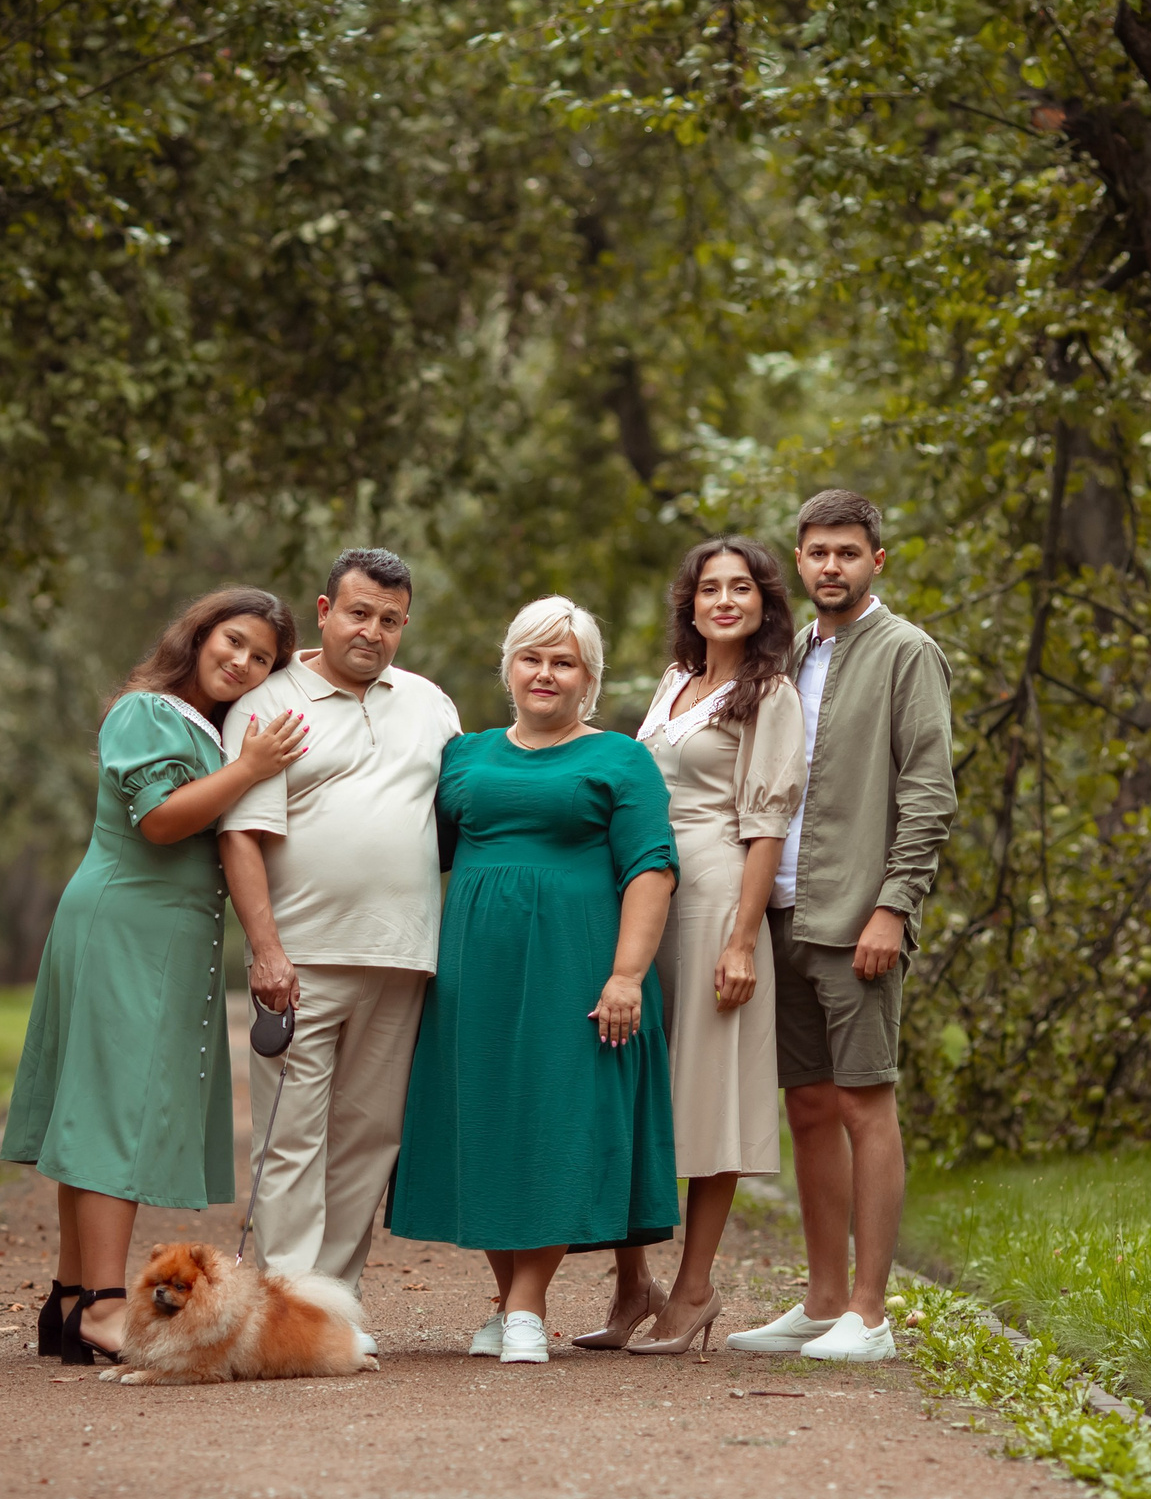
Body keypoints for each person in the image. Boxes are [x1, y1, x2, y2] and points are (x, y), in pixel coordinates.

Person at [2, 589, 310, 1366]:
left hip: (158, 934)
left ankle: (70, 1301)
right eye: (232, 641)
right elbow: (162, 819)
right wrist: (249, 768)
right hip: (124, 925)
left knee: (105, 1106)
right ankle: (107, 1308)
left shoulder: (201, 724)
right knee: (116, 1114)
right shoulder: (147, 712)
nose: (241, 662)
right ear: (199, 634)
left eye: (263, 658)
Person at [387, 596, 681, 1365]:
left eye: (565, 662)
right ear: (508, 666)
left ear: (588, 678)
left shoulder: (621, 759)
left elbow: (652, 868)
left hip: (576, 967)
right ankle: (510, 1302)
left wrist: (626, 976)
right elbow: (417, 851)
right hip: (472, 974)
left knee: (556, 1121)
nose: (545, 674)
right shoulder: (466, 756)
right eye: (532, 657)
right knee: (482, 1123)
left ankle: (525, 1305)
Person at [725, 489, 954, 1364]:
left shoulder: (906, 653)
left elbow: (930, 792)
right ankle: (822, 1304)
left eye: (848, 553)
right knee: (809, 1108)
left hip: (857, 917)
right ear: (802, 559)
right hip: (781, 909)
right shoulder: (784, 656)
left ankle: (871, 1313)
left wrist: (894, 905)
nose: (831, 567)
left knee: (865, 1103)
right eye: (817, 553)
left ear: (876, 561)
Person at [218, 549, 461, 1331]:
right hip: (302, 959)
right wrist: (265, 952)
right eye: (359, 613)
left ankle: (334, 1305)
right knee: (290, 1141)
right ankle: (283, 1305)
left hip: (403, 955)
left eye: (391, 620)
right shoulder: (271, 696)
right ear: (324, 611)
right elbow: (242, 837)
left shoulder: (430, 704)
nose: (374, 631)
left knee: (369, 1139)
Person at [583, 538, 805, 1356]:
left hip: (714, 897)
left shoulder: (769, 694)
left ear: (762, 602)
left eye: (739, 587)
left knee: (708, 1095)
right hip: (645, 893)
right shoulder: (676, 682)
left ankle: (695, 1288)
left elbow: (767, 822)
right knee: (627, 1082)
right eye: (709, 587)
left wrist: (744, 939)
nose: (723, 600)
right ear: (690, 601)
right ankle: (631, 1282)